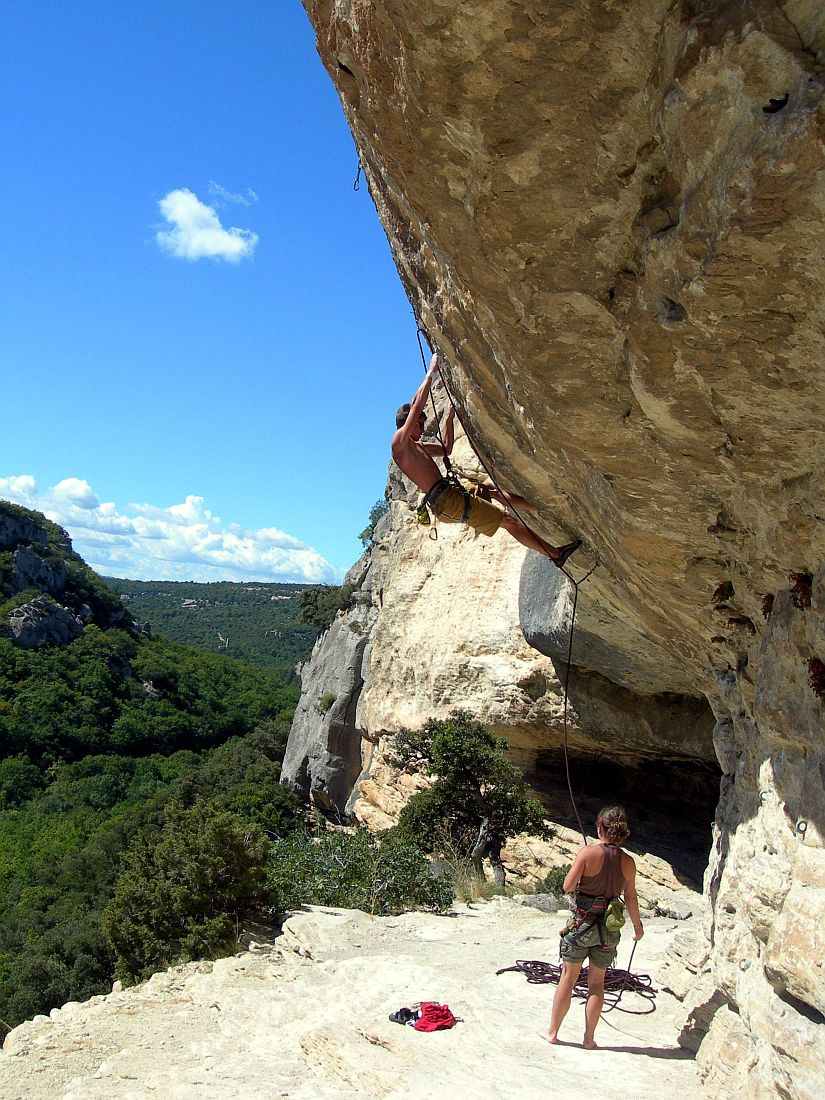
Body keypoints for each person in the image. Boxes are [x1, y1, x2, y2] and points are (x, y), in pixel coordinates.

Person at [391, 354, 583, 567]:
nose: (422, 429)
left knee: (492, 490)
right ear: (407, 424)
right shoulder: (399, 444)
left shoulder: (417, 446)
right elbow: (416, 405)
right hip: (447, 502)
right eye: (419, 424)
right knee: (509, 522)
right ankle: (556, 555)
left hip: (450, 494)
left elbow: (447, 448)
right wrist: (431, 372)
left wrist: (448, 418)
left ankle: (542, 508)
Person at [539, 806, 644, 1049]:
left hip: (582, 925)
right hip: (608, 929)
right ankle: (589, 1039)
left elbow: (567, 886)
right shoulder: (629, 862)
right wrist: (637, 926)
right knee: (597, 983)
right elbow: (630, 897)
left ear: (600, 828)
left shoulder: (587, 853)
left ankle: (553, 1032)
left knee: (568, 977)